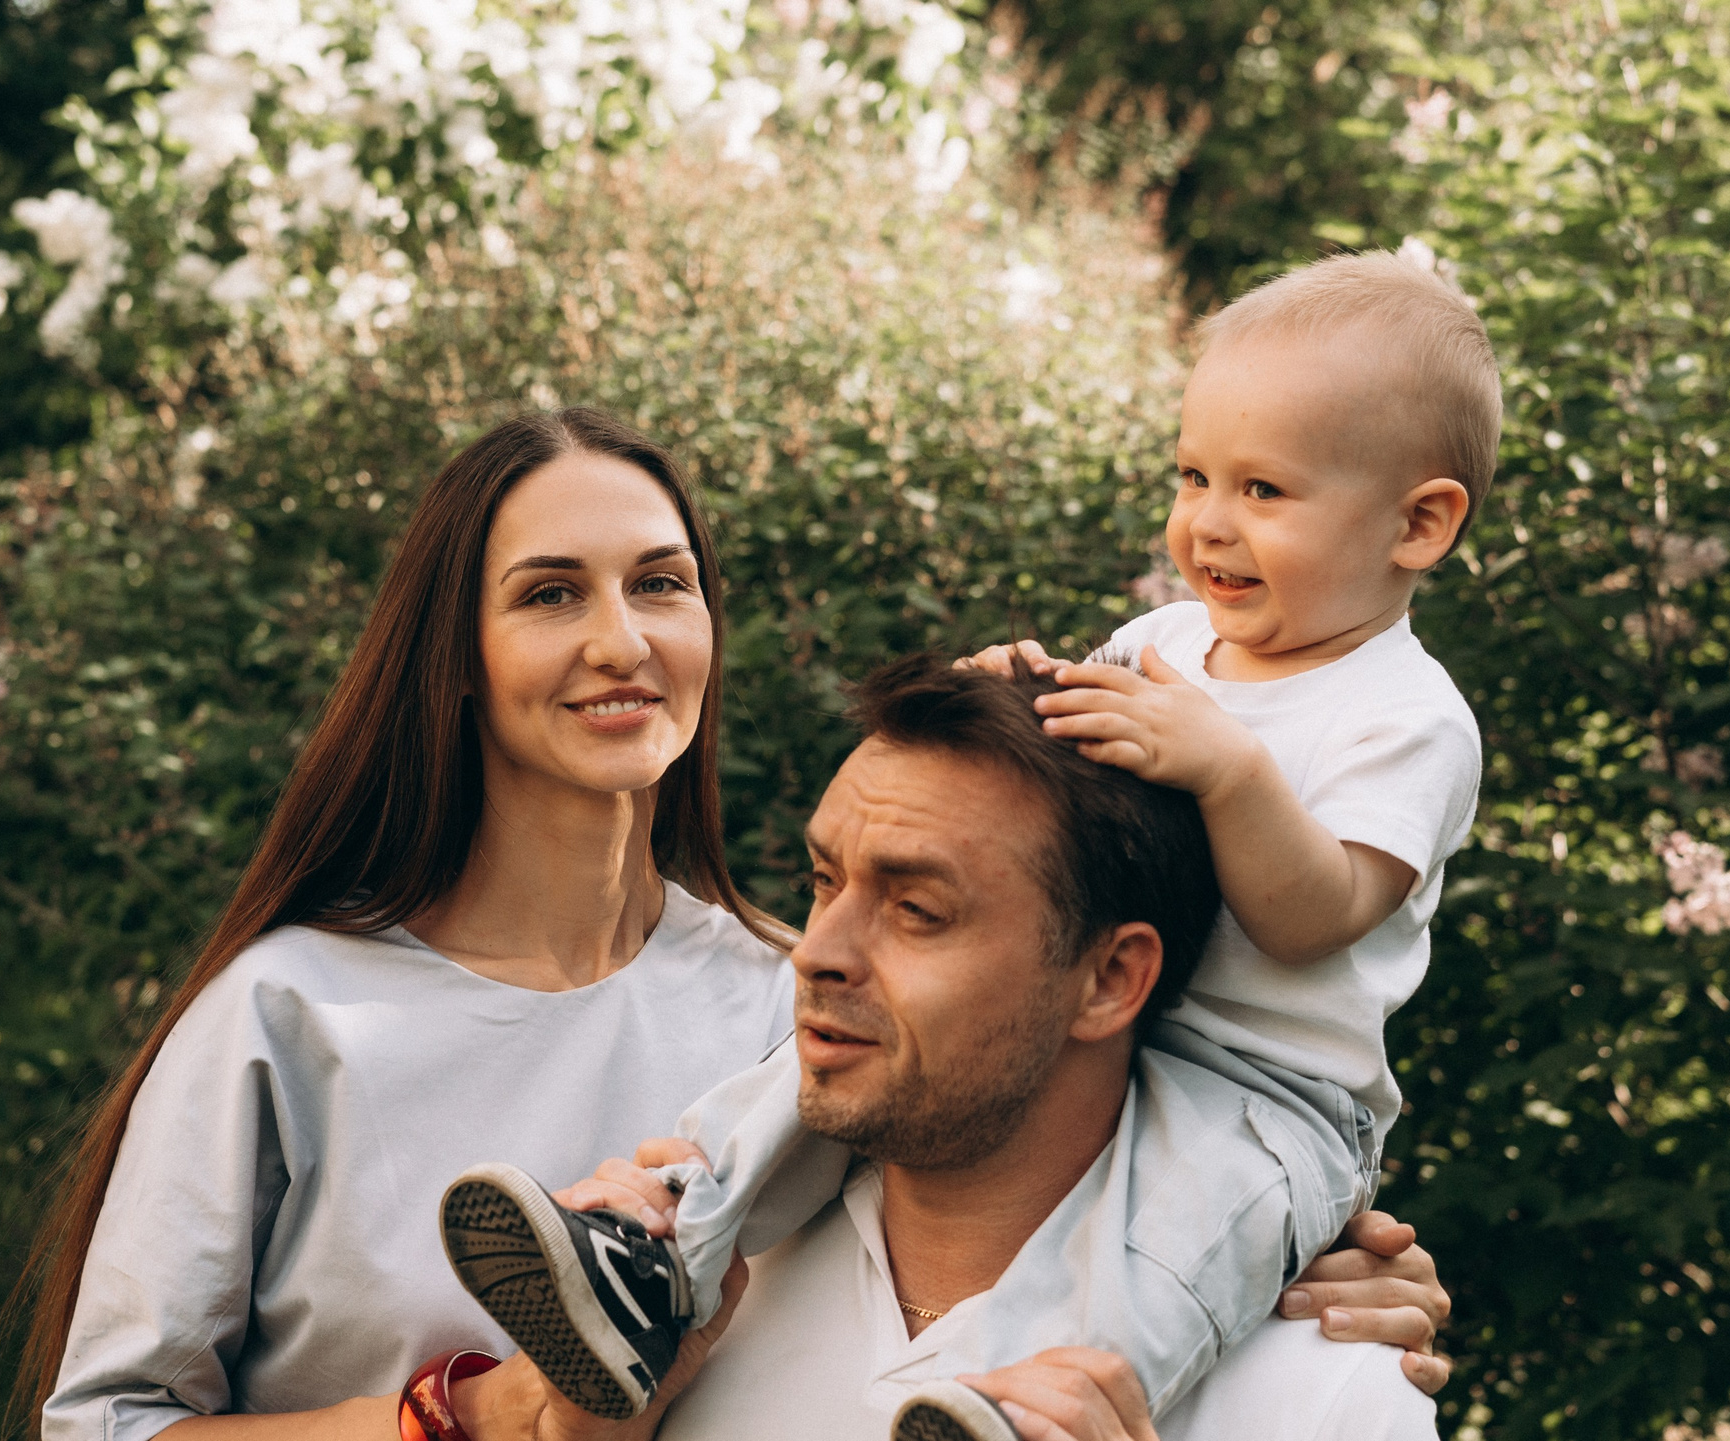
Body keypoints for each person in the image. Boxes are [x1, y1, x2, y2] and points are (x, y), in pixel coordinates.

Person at [21, 407, 1450, 1440]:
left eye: (661, 583)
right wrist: (469, 1426)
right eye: (548, 595)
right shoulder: (296, 1018)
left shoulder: (794, 1005)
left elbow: (999, 1196)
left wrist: (1313, 1290)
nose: (621, 640)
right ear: (450, 657)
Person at [440, 248, 1492, 1441]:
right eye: (1193, 474)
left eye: (1264, 491)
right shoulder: (1170, 636)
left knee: (1171, 1256)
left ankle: (1032, 1405)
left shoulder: (1404, 717)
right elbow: (1063, 782)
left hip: (1264, 1094)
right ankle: (653, 1252)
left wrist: (1228, 764)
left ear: (1420, 522)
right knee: (787, 1075)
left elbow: (1315, 916)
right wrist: (1020, 688)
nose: (1206, 521)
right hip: (1132, 1050)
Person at [456, 655, 1440, 1441]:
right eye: (822, 881)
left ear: (1108, 980)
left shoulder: (1324, 1396)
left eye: (917, 910)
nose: (819, 953)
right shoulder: (692, 1301)